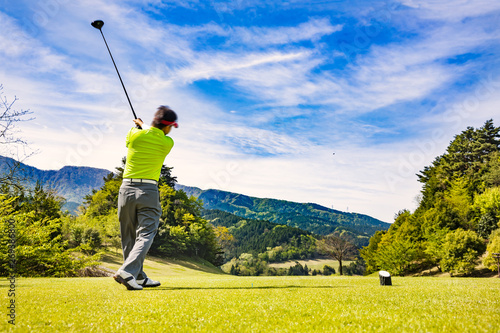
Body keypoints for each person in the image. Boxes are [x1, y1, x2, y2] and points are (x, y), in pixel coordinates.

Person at [113, 105, 178, 290]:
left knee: (128, 235)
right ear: (167, 126)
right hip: (148, 190)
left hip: (125, 189)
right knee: (146, 233)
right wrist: (144, 125)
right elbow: (155, 133)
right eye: (171, 126)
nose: (171, 130)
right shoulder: (167, 143)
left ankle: (138, 277)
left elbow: (137, 135)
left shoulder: (134, 134)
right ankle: (127, 271)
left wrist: (140, 125)